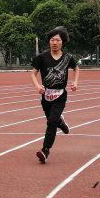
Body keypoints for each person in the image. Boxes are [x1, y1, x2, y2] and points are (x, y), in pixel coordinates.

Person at [31, 26, 79, 163]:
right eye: (52, 40)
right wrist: (37, 85)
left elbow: (76, 68)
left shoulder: (68, 57)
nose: (55, 42)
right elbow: (33, 73)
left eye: (57, 40)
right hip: (46, 95)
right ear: (49, 41)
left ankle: (45, 150)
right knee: (52, 120)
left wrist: (75, 82)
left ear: (63, 42)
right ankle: (60, 122)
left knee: (51, 122)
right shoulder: (41, 57)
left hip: (60, 95)